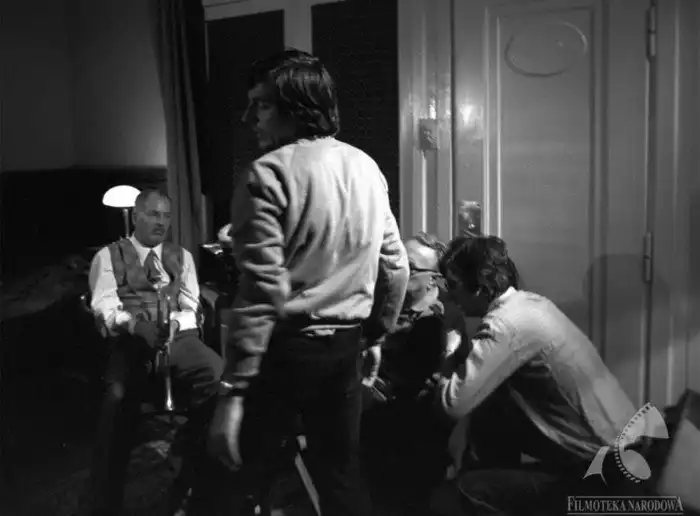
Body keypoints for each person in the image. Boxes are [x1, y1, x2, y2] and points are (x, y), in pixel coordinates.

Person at [200, 49, 409, 516]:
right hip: (345, 349)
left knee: (229, 476)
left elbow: (260, 292)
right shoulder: (365, 166)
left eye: (261, 105)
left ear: (297, 109)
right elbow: (395, 265)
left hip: (285, 351)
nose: (247, 118)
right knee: (341, 477)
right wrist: (376, 334)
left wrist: (232, 392)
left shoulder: (266, 173)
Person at [430, 234, 638, 516]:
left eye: (453, 285)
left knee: (460, 493)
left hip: (602, 471)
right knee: (493, 412)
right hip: (622, 450)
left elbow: (452, 404)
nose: (449, 295)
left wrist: (450, 343)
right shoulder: (531, 304)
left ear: (479, 286)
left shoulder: (506, 325)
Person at [86, 189, 223, 516]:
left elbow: (192, 306)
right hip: (132, 341)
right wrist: (137, 326)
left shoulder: (182, 256)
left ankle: (190, 467)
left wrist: (175, 324)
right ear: (136, 216)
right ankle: (104, 502)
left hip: (179, 340)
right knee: (116, 399)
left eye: (166, 216)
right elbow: (104, 307)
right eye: (152, 214)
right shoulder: (107, 256)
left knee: (218, 378)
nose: (161, 222)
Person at [360, 232, 452, 515]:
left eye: (410, 267)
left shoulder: (437, 323)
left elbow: (407, 384)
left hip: (404, 436)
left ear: (433, 279)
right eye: (397, 260)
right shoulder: (383, 303)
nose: (397, 270)